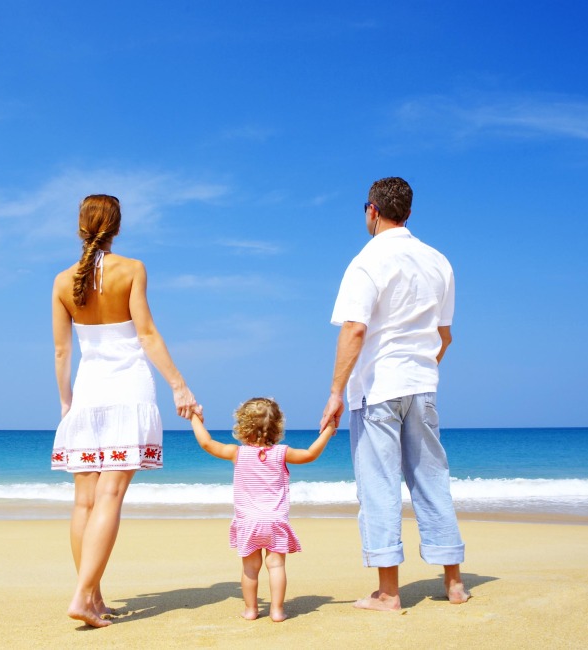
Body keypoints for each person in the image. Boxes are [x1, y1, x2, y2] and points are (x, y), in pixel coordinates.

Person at [320, 176, 470, 611]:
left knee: (380, 486)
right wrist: (420, 371)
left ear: (372, 210)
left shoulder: (366, 260)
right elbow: (445, 337)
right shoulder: (438, 261)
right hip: (422, 386)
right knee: (431, 481)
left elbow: (355, 328)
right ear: (407, 211)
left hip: (377, 389)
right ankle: (454, 583)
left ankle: (388, 593)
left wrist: (335, 392)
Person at [51, 194, 199, 628]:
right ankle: (83, 596)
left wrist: (66, 402)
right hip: (127, 390)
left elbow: (62, 352)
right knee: (110, 496)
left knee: (84, 502)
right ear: (116, 226)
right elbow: (147, 334)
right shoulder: (132, 269)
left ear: (80, 226)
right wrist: (180, 386)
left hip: (87, 393)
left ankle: (92, 597)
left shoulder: (62, 282)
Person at [189, 398, 336, 622]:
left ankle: (251, 610)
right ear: (277, 427)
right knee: (276, 565)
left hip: (248, 522)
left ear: (242, 426)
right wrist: (328, 431)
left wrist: (194, 418)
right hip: (275, 521)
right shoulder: (281, 453)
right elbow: (309, 454)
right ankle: (276, 611)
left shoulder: (236, 453)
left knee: (250, 568)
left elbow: (207, 443)